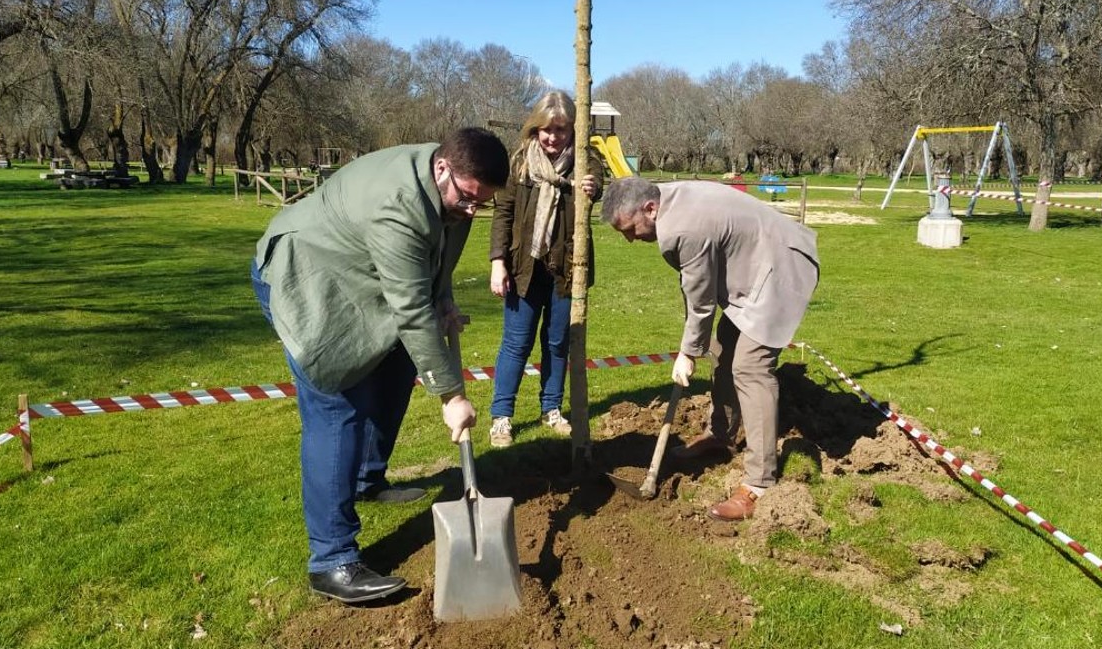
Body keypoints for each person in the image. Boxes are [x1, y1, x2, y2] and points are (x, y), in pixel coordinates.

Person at [251, 127, 510, 603]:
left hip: (362, 274)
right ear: (441, 169)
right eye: (469, 199)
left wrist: (446, 298)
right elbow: (410, 309)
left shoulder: (456, 189)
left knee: (394, 370)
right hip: (308, 273)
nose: (473, 210)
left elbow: (438, 257)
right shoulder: (398, 205)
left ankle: (368, 480)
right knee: (338, 404)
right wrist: (452, 396)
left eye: (483, 203)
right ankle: (331, 561)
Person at [600, 176, 819, 521]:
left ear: (650, 208)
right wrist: (695, 345)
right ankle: (720, 434)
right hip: (753, 270)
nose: (629, 239)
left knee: (750, 367)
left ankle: (759, 485)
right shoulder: (666, 199)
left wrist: (687, 353)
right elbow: (694, 288)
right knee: (723, 348)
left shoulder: (681, 230)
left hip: (781, 267)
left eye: (629, 229)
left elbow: (701, 301)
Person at [487, 91, 604, 448]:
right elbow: (503, 214)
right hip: (524, 268)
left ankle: (551, 409)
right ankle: (502, 418)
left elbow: (598, 184)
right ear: (534, 128)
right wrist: (497, 263)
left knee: (557, 343)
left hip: (567, 270)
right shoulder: (521, 162)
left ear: (573, 130)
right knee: (515, 344)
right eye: (546, 130)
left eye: (562, 130)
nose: (553, 138)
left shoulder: (585, 162)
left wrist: (592, 187)